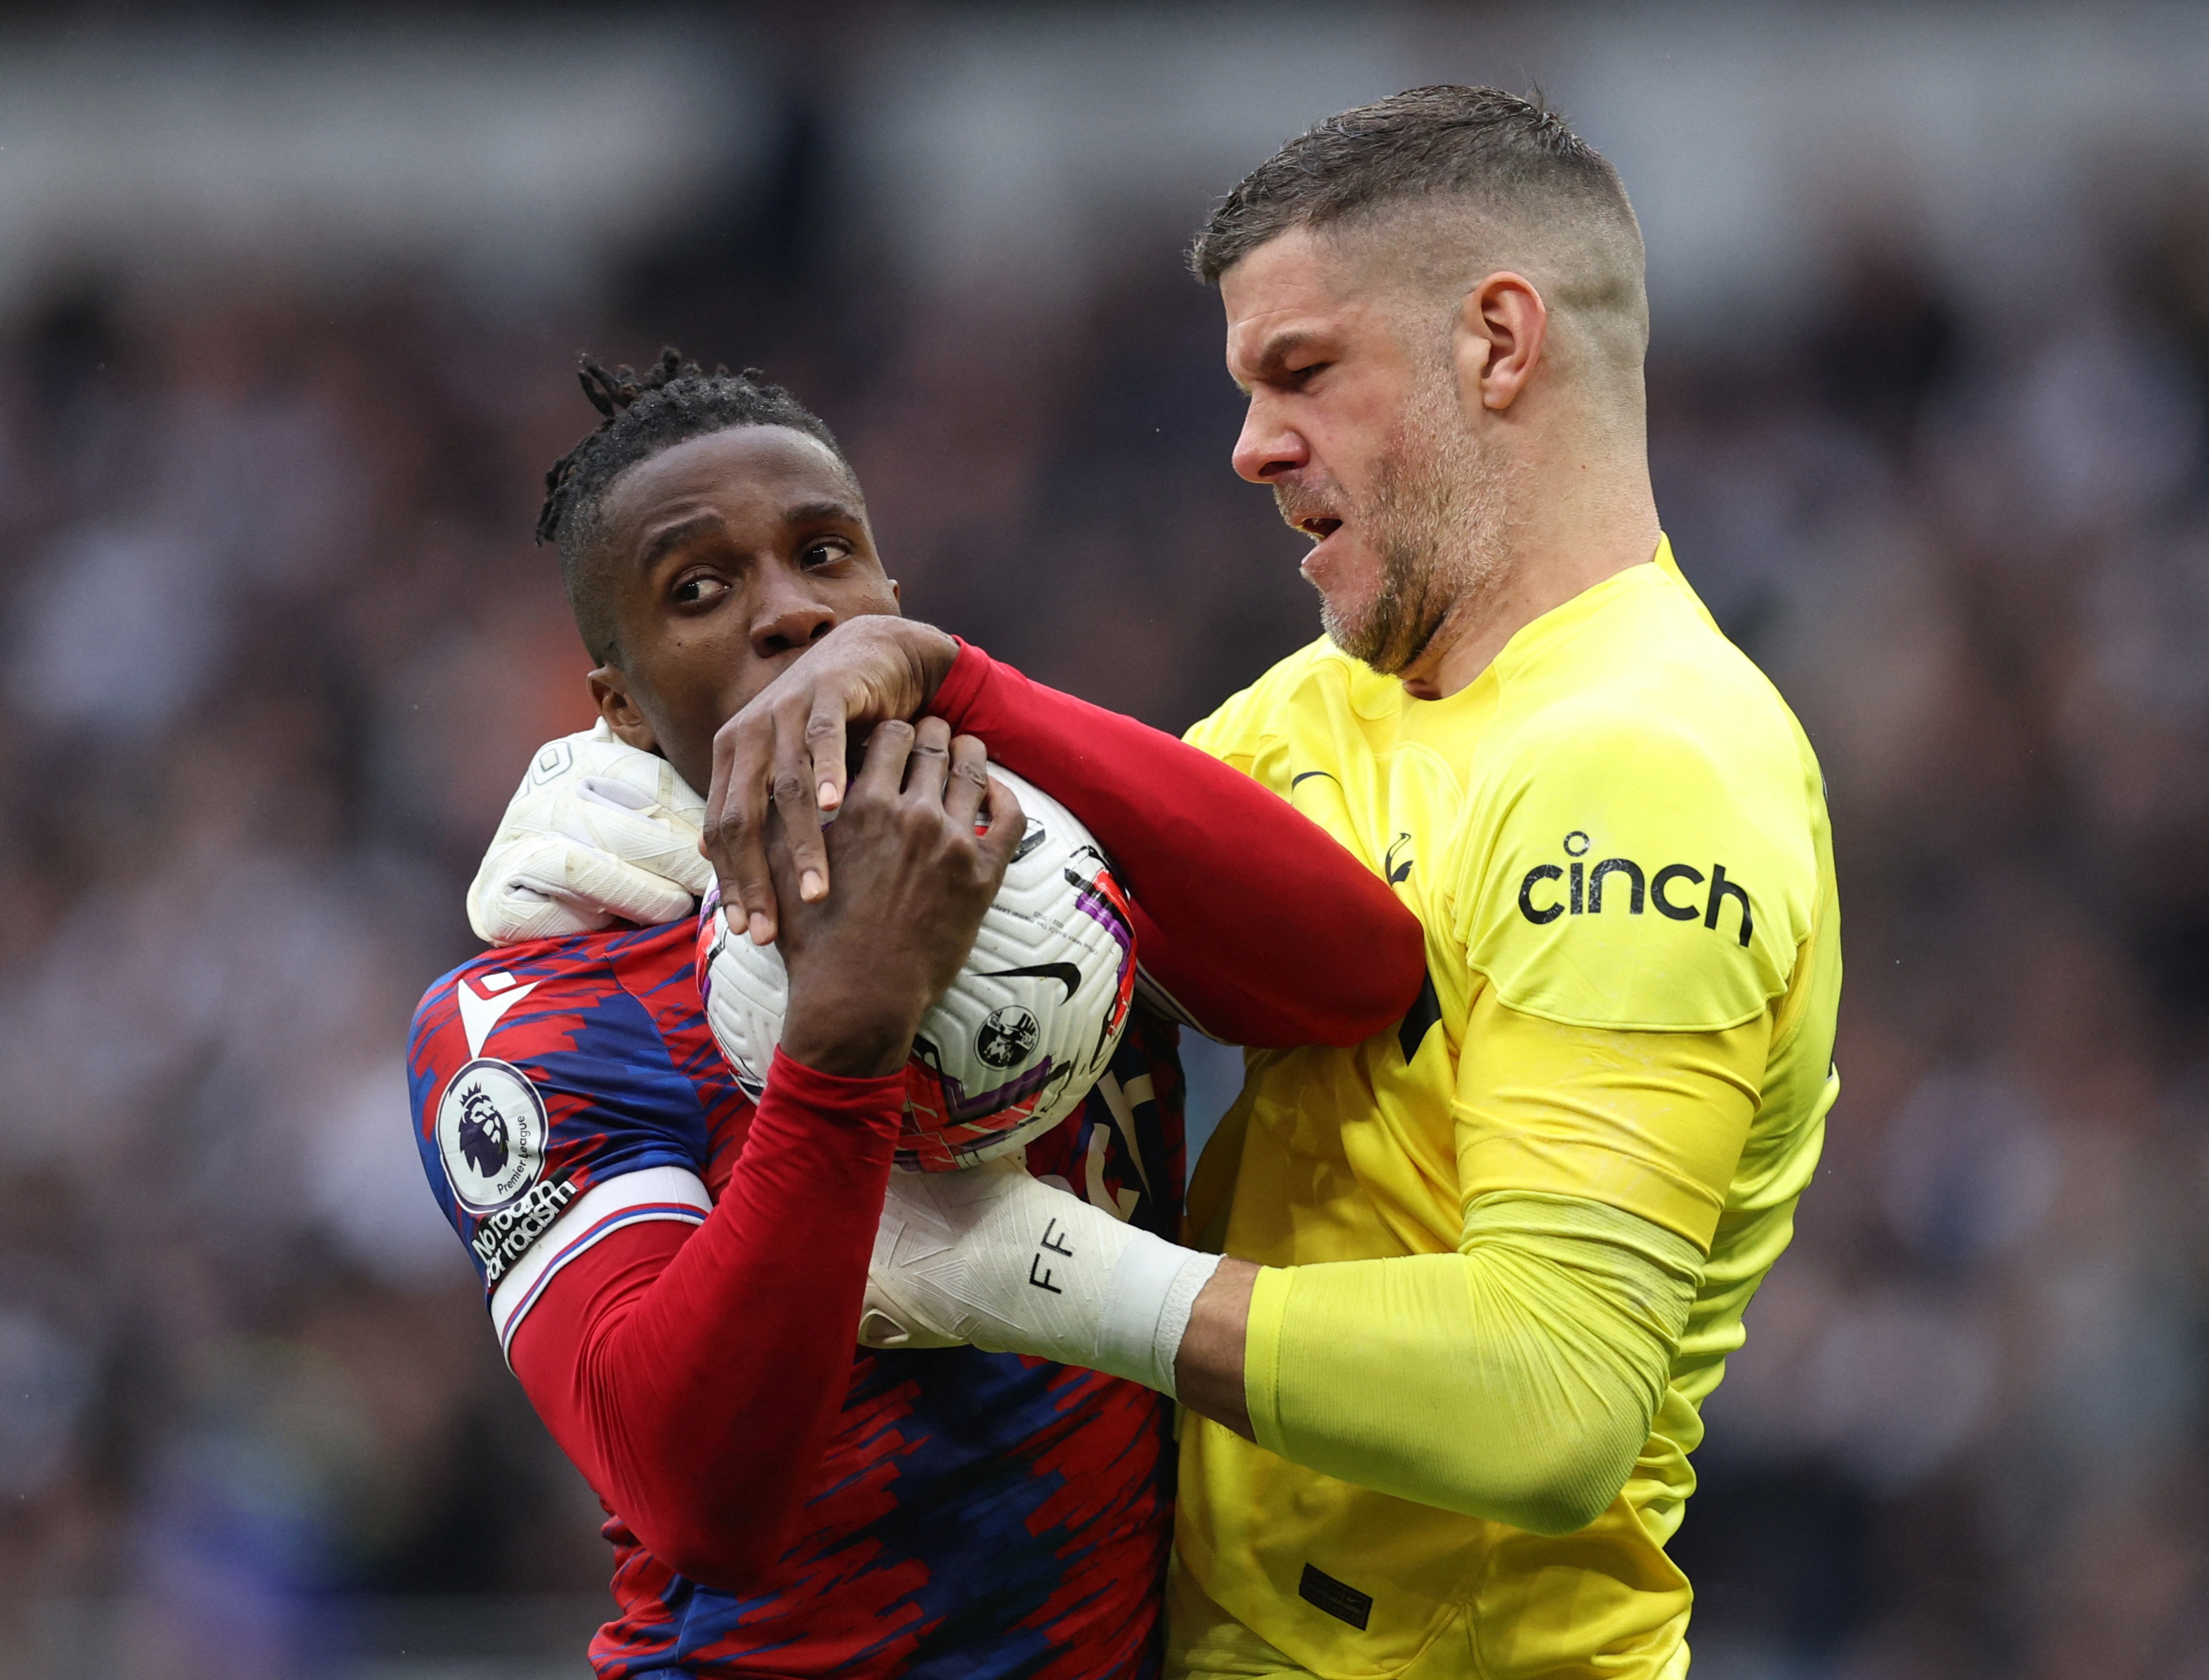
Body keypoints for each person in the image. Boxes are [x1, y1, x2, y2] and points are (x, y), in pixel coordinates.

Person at [514, 88, 1842, 1679]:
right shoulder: (1310, 714)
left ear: (1498, 344)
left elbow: (1555, 1400)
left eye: (1301, 373)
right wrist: (692, 833)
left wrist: (1039, 1276)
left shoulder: (1654, 767)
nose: (1249, 444)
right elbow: (1214, 922)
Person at [411, 351, 1425, 1679]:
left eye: (827, 555)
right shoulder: (538, 1009)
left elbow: (1357, 979)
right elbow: (697, 1498)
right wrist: (843, 1038)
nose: (790, 614)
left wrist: (972, 688)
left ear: (893, 598)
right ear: (615, 700)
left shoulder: (1047, 846)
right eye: (698, 590)